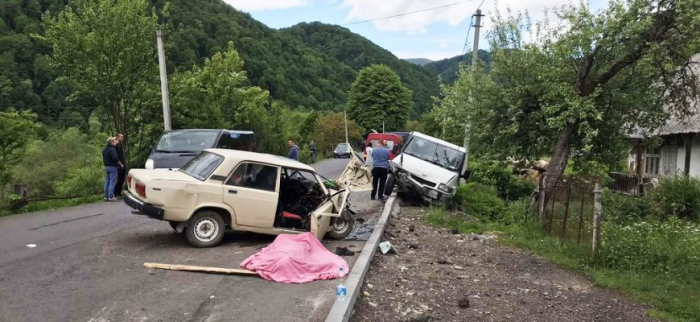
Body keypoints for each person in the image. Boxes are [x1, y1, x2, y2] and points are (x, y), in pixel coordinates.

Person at [102, 137, 124, 201]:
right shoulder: (112, 149)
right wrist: (120, 164)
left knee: (107, 181)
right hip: (112, 167)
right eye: (114, 141)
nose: (115, 142)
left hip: (106, 166)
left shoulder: (104, 149)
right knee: (112, 182)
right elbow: (115, 158)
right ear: (111, 142)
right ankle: (111, 196)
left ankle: (106, 196)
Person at [113, 133, 126, 199]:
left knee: (122, 179)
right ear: (117, 137)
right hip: (119, 165)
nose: (122, 138)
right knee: (118, 179)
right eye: (121, 137)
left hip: (123, 164)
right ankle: (116, 193)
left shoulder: (120, 146)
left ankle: (119, 192)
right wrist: (119, 164)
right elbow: (116, 157)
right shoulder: (115, 146)